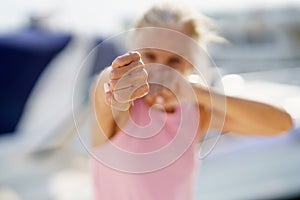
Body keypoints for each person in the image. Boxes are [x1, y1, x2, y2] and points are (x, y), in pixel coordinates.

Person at [90, 2, 293, 200]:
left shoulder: (195, 112)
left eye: (175, 61)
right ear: (134, 53)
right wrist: (117, 78)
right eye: (149, 56)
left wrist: (198, 93)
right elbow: (104, 86)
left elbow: (281, 124)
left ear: (191, 64)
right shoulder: (119, 108)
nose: (161, 71)